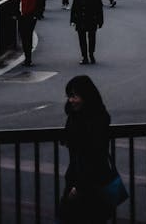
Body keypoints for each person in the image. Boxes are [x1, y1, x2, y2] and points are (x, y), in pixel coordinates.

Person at [59, 75, 112, 224]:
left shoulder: (91, 120)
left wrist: (79, 186)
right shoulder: (78, 116)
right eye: (69, 96)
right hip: (86, 179)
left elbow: (93, 154)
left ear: (86, 96)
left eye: (74, 96)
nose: (71, 100)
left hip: (87, 182)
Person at [70, 0, 104, 64]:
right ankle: (84, 56)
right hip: (80, 18)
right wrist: (73, 19)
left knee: (92, 38)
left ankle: (91, 54)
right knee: (82, 39)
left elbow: (99, 8)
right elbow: (74, 6)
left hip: (91, 18)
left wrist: (100, 21)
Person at [17, 0, 37, 66]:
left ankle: (28, 58)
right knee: (27, 37)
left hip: (26, 15)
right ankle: (28, 57)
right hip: (28, 15)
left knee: (26, 37)